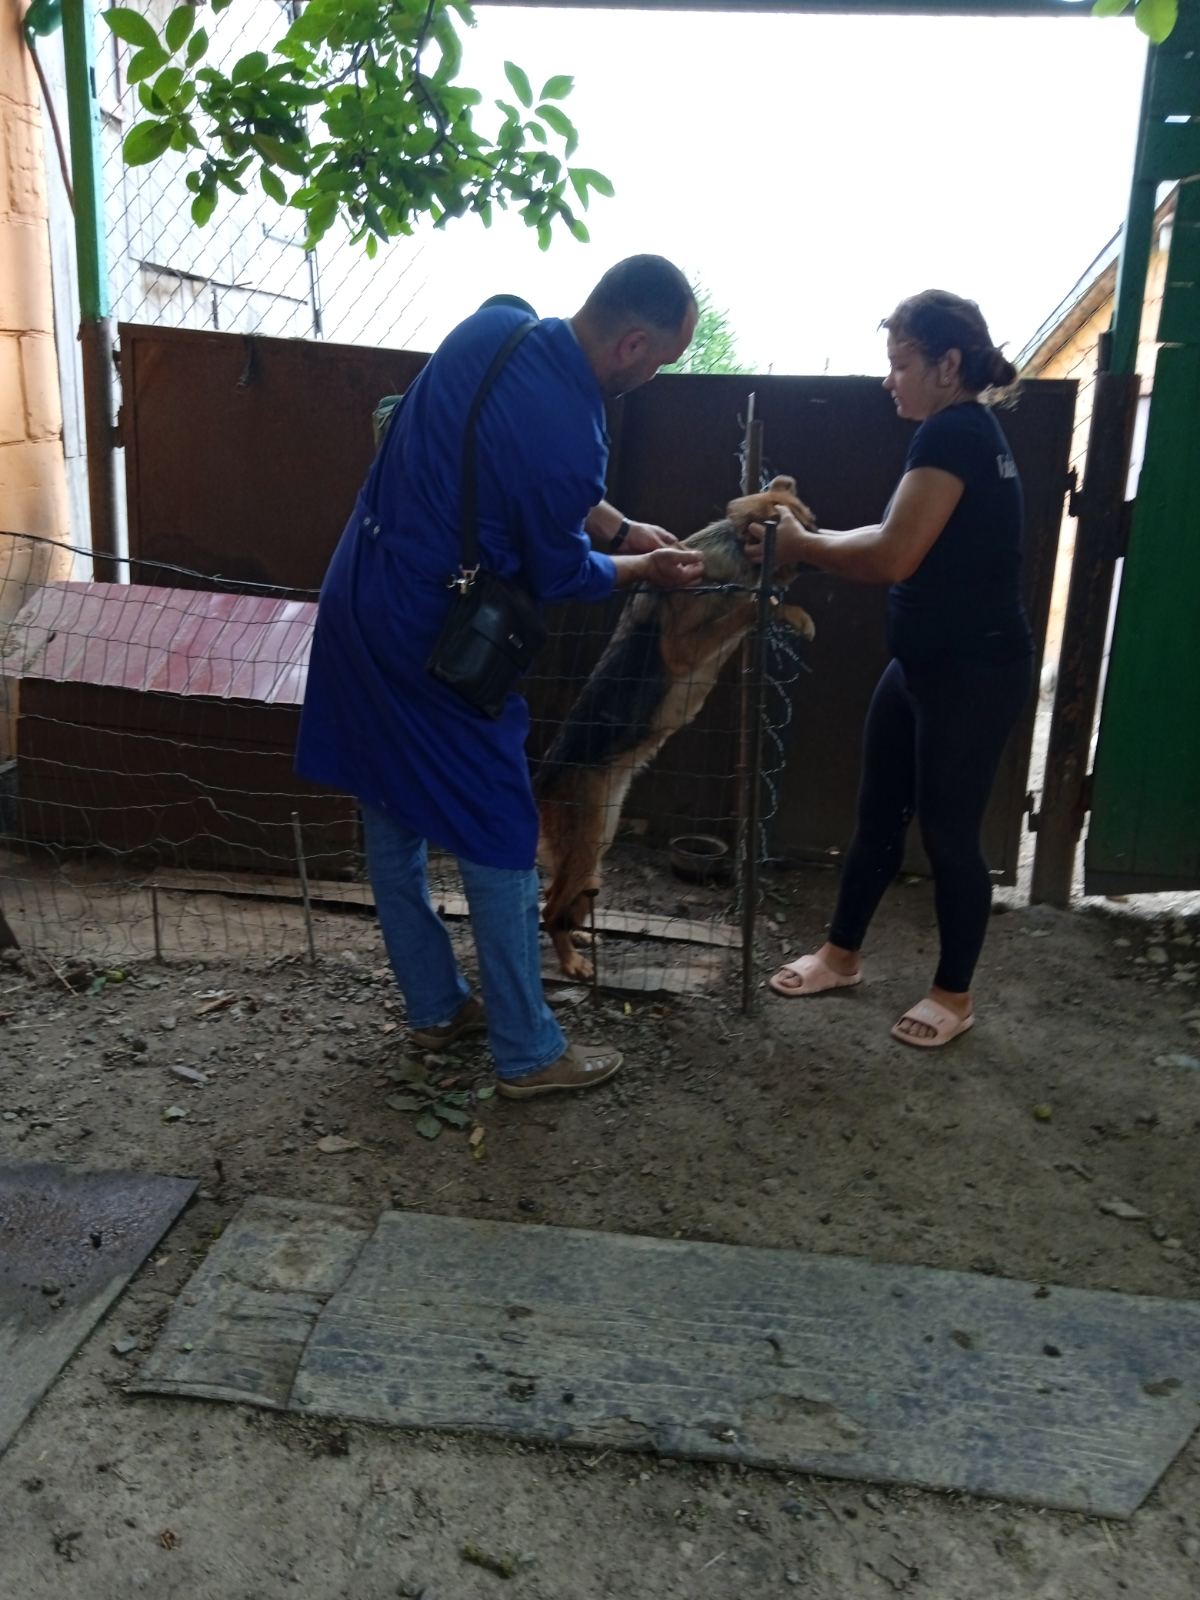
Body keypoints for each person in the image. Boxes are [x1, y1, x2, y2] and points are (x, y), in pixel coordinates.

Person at [296, 256, 703, 1097]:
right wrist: (642, 568)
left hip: (356, 596)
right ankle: (528, 1051)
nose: (653, 377)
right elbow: (561, 573)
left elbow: (501, 449)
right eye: (660, 361)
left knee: (389, 810)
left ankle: (436, 1007)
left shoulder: (496, 326)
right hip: (434, 639)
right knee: (501, 828)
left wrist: (621, 527)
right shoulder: (578, 435)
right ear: (632, 344)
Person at [743, 289, 1030, 1048]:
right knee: (876, 818)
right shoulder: (963, 431)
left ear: (948, 365)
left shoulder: (953, 434)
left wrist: (801, 547)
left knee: (951, 836)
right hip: (922, 665)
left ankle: (953, 996)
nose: (888, 380)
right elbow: (890, 530)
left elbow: (894, 555)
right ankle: (841, 956)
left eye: (900, 364)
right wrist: (815, 540)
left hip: (973, 673)